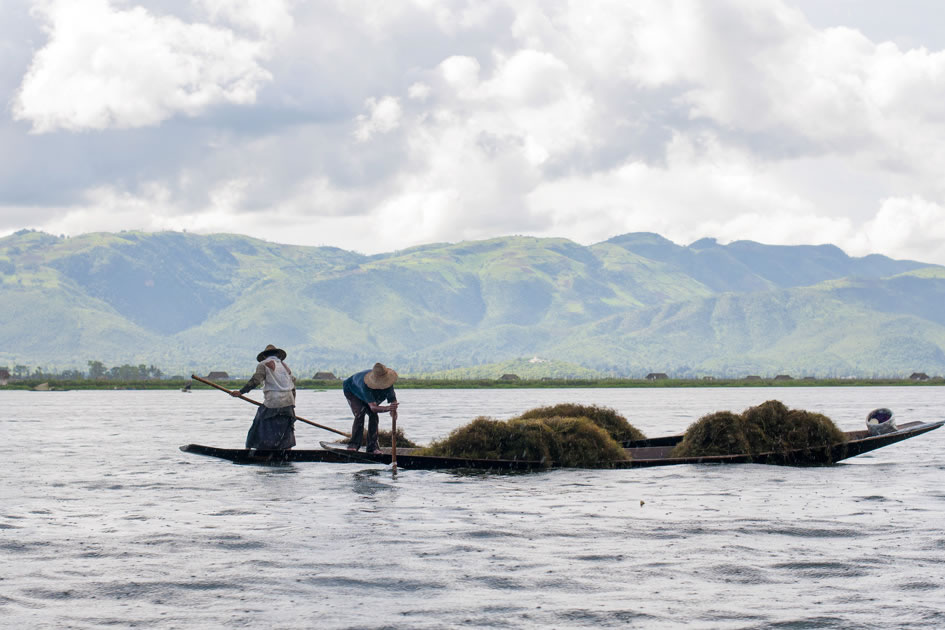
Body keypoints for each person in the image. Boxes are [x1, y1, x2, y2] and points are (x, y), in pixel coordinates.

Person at [231, 344, 297, 449]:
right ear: (278, 355)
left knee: (258, 424)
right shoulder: (285, 367)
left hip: (273, 401)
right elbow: (293, 384)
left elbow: (256, 380)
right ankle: (287, 450)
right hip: (288, 401)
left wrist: (241, 392)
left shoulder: (263, 364)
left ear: (265, 356)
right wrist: (292, 406)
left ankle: (249, 449)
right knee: (286, 428)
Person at [343, 362, 399, 454]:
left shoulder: (388, 384)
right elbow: (373, 407)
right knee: (360, 413)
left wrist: (393, 411)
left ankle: (372, 447)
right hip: (353, 390)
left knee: (374, 416)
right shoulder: (366, 384)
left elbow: (393, 400)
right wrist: (388, 408)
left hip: (370, 397)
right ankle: (353, 444)